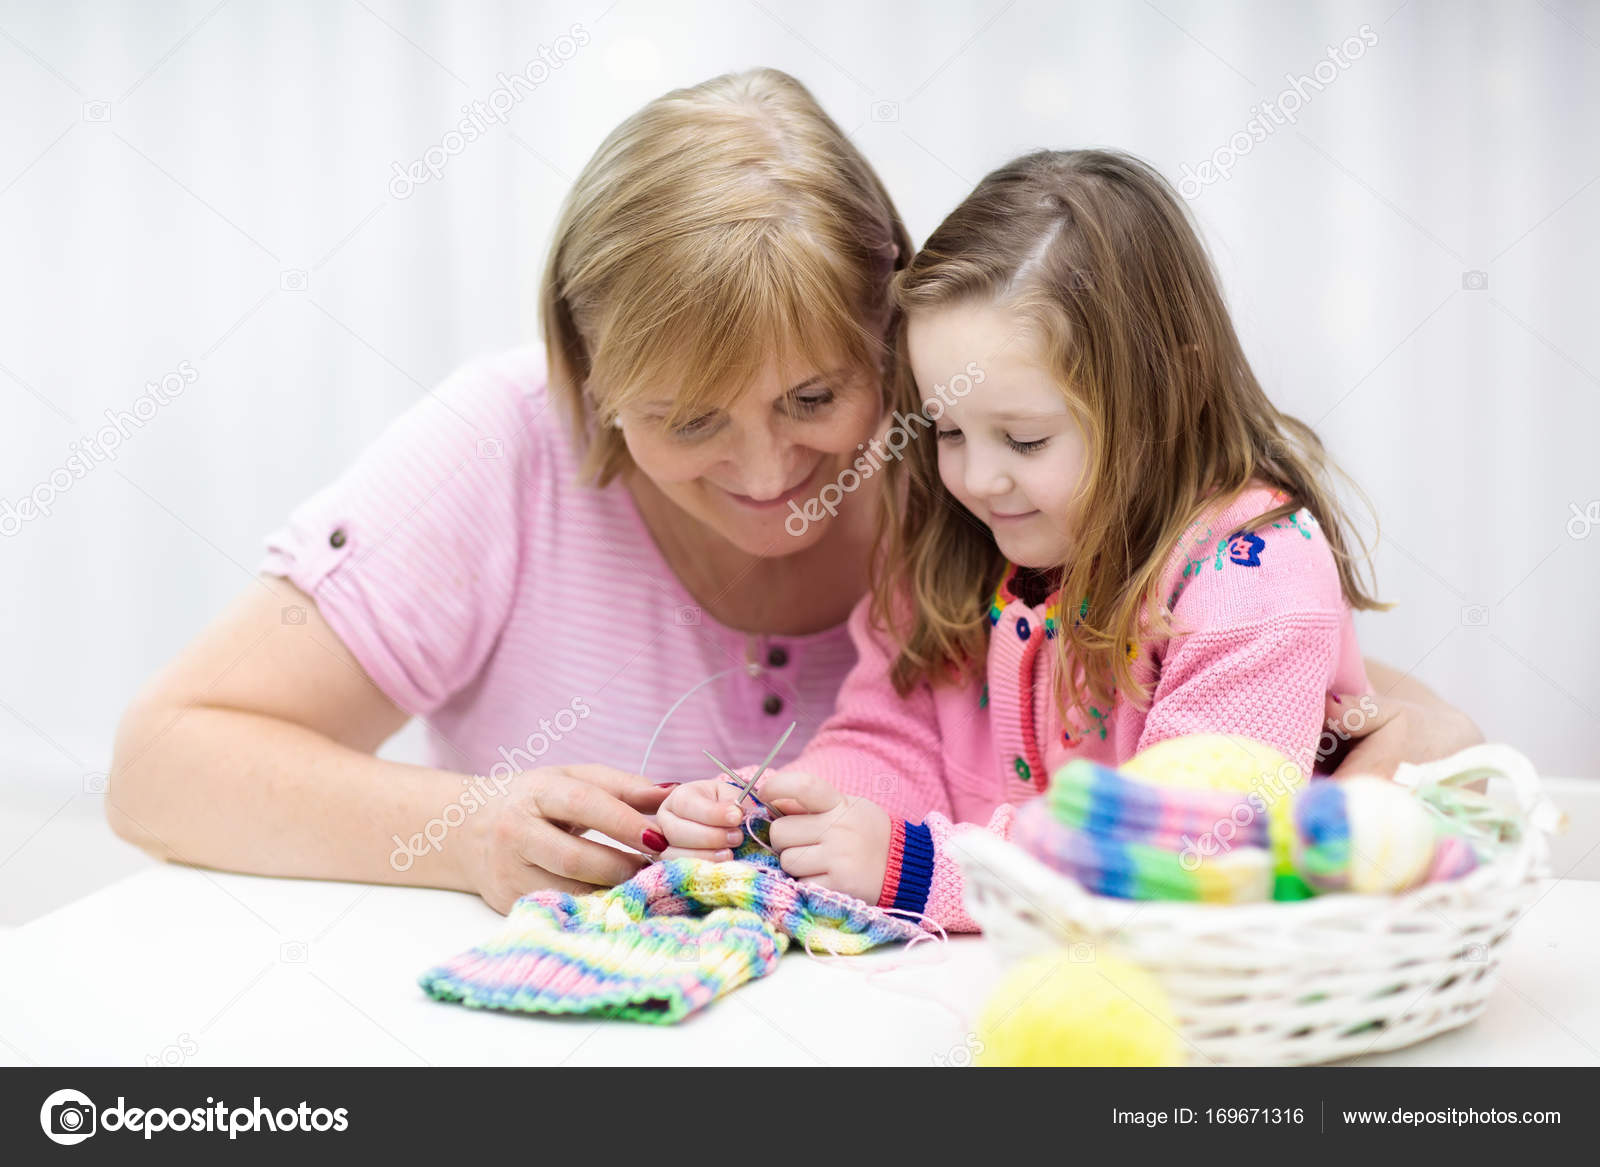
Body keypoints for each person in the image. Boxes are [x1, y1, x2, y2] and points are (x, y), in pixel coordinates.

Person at [108, 77, 1480, 916]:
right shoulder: (501, 447)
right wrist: (476, 829)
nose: (770, 479)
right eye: (689, 420)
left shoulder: (964, 477)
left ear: (895, 341)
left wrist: (1399, 745)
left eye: (818, 400)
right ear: (591, 381)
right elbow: (164, 763)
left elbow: (1246, 693)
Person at [656, 149, 1443, 930]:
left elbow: (1186, 842)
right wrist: (783, 813)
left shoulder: (1254, 571)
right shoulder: (953, 545)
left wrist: (920, 867)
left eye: (1025, 440)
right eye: (949, 429)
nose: (978, 479)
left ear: (1164, 395)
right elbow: (891, 740)